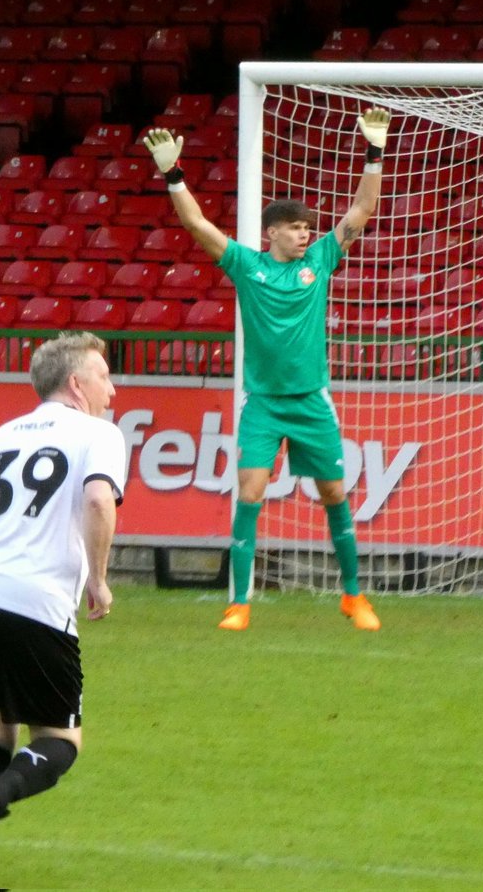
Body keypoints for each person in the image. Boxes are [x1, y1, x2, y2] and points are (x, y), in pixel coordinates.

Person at [143, 107, 392, 632]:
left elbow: (362, 212)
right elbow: (196, 224)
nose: (305, 235)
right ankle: (239, 604)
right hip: (262, 403)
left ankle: (353, 597)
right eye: (296, 229)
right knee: (250, 492)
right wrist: (173, 174)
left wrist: (374, 152)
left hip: (310, 401)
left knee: (333, 495)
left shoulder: (321, 260)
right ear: (273, 232)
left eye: (308, 228)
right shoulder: (247, 265)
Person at [0, 332, 126, 887]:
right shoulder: (99, 433)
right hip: (34, 599)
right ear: (76, 383)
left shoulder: (1, 434)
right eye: (104, 375)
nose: (112, 389)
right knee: (60, 741)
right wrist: (99, 578)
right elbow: (97, 499)